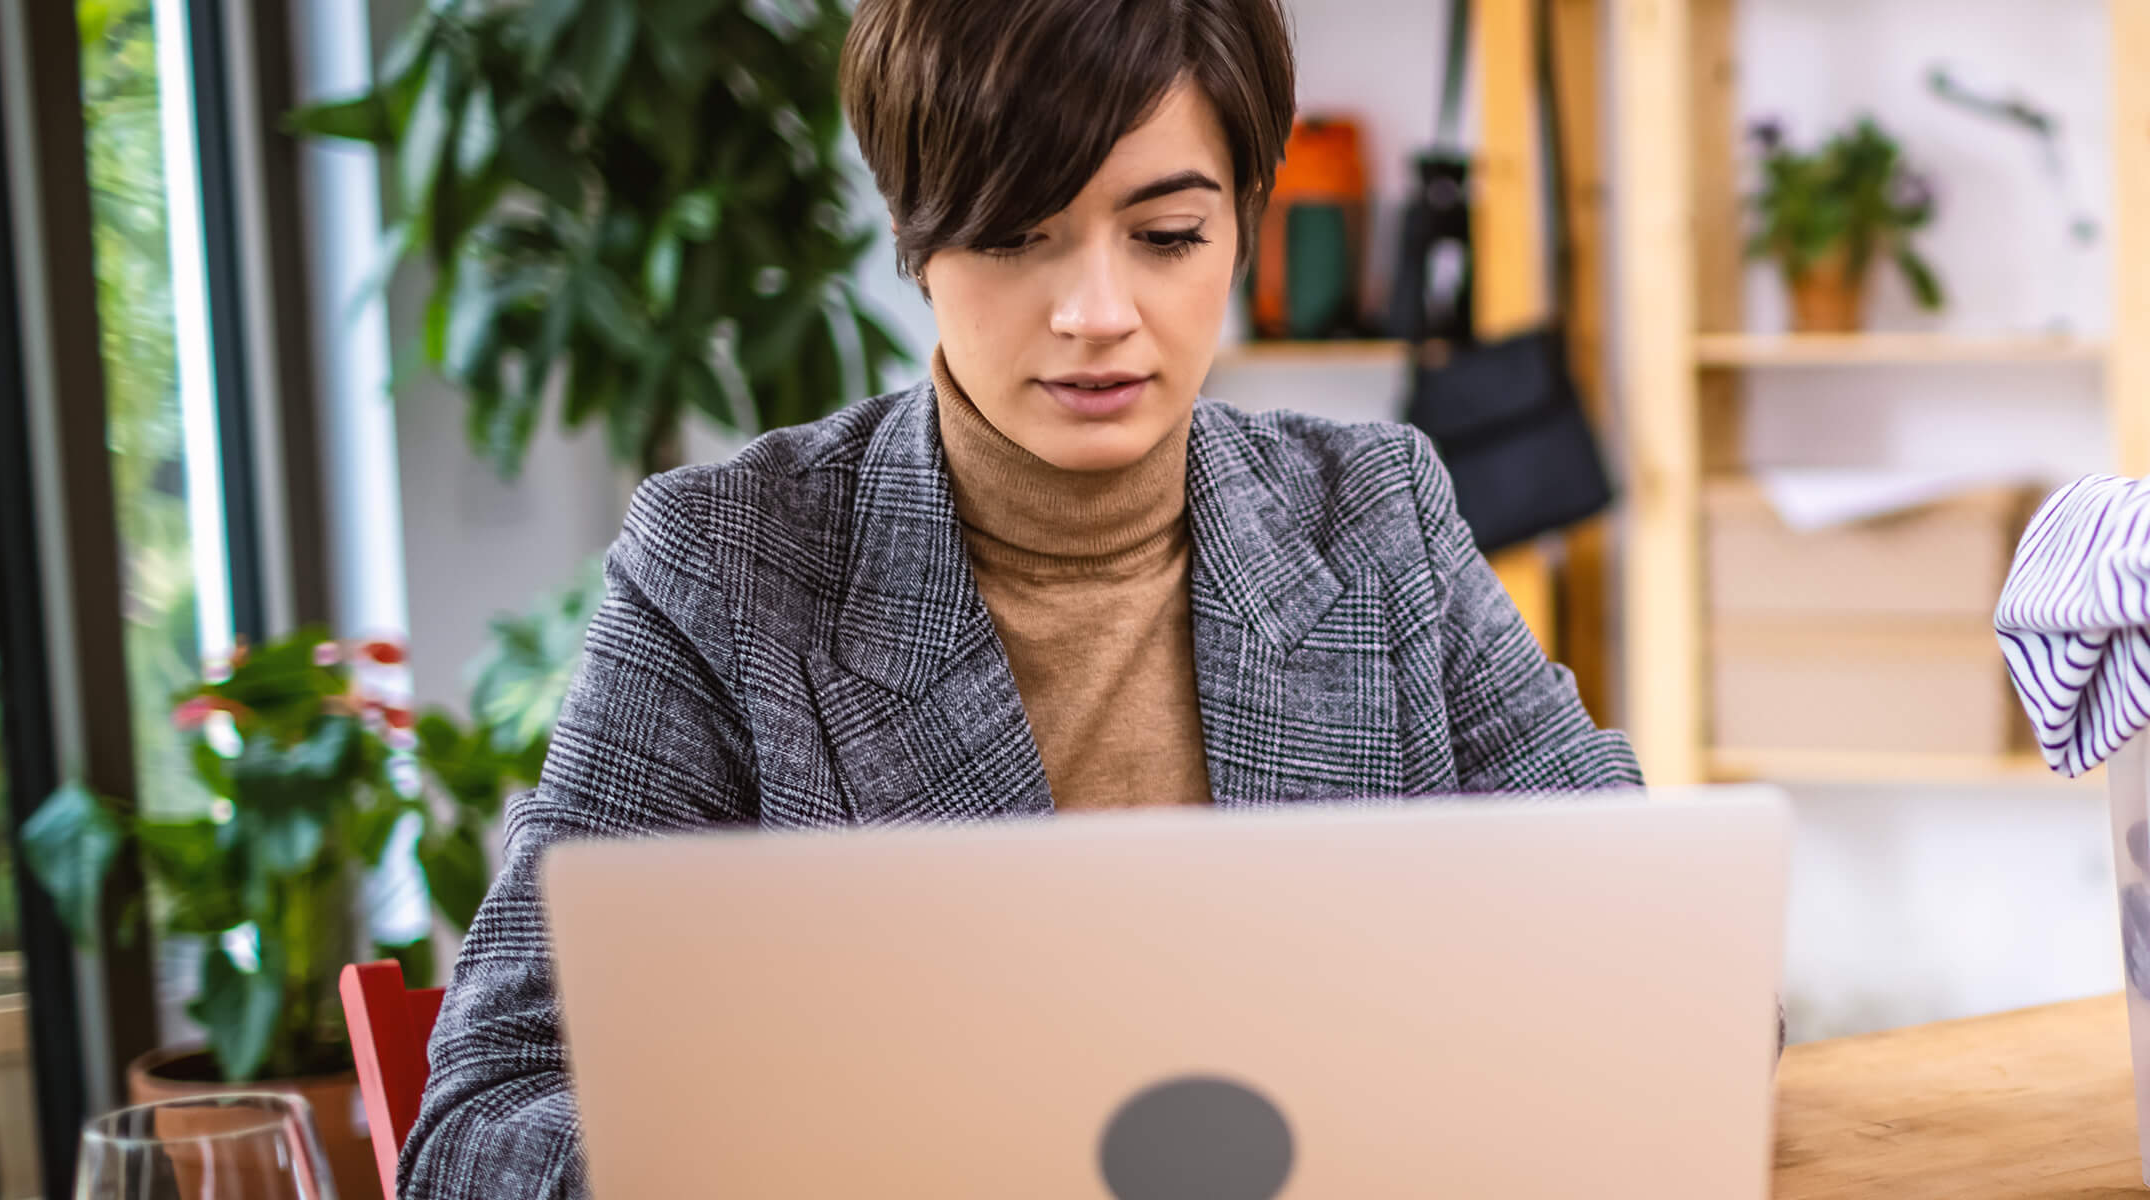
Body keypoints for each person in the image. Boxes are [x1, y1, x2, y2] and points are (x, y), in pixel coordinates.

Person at [397, 1, 1636, 1193]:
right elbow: (478, 1128)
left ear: (1245, 227)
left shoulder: (1373, 512)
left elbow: (1658, 955)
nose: (1099, 315)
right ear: (914, 235)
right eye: (1012, 236)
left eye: (1166, 237)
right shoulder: (729, 566)